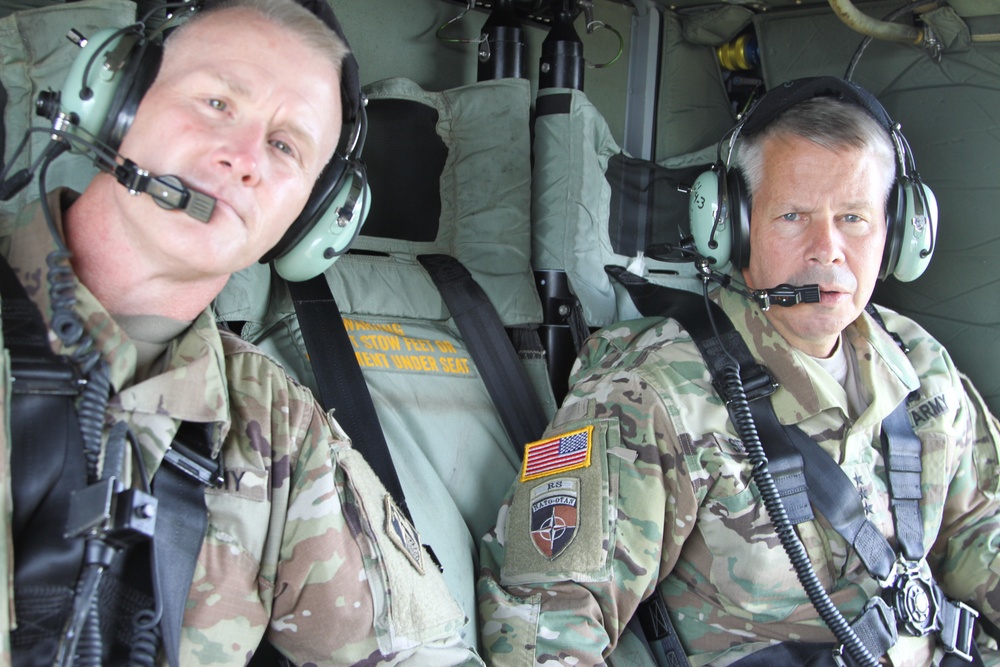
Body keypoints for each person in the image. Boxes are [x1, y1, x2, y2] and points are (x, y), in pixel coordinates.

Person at [0, 0, 482, 664]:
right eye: (218, 103)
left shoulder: (274, 423)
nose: (244, 158)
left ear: (311, 218)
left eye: (285, 145)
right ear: (116, 93)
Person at [477, 77, 1000, 666]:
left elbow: (984, 528)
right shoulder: (647, 392)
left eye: (854, 218)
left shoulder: (922, 365)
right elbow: (540, 616)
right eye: (793, 216)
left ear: (898, 231)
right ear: (734, 231)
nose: (827, 249)